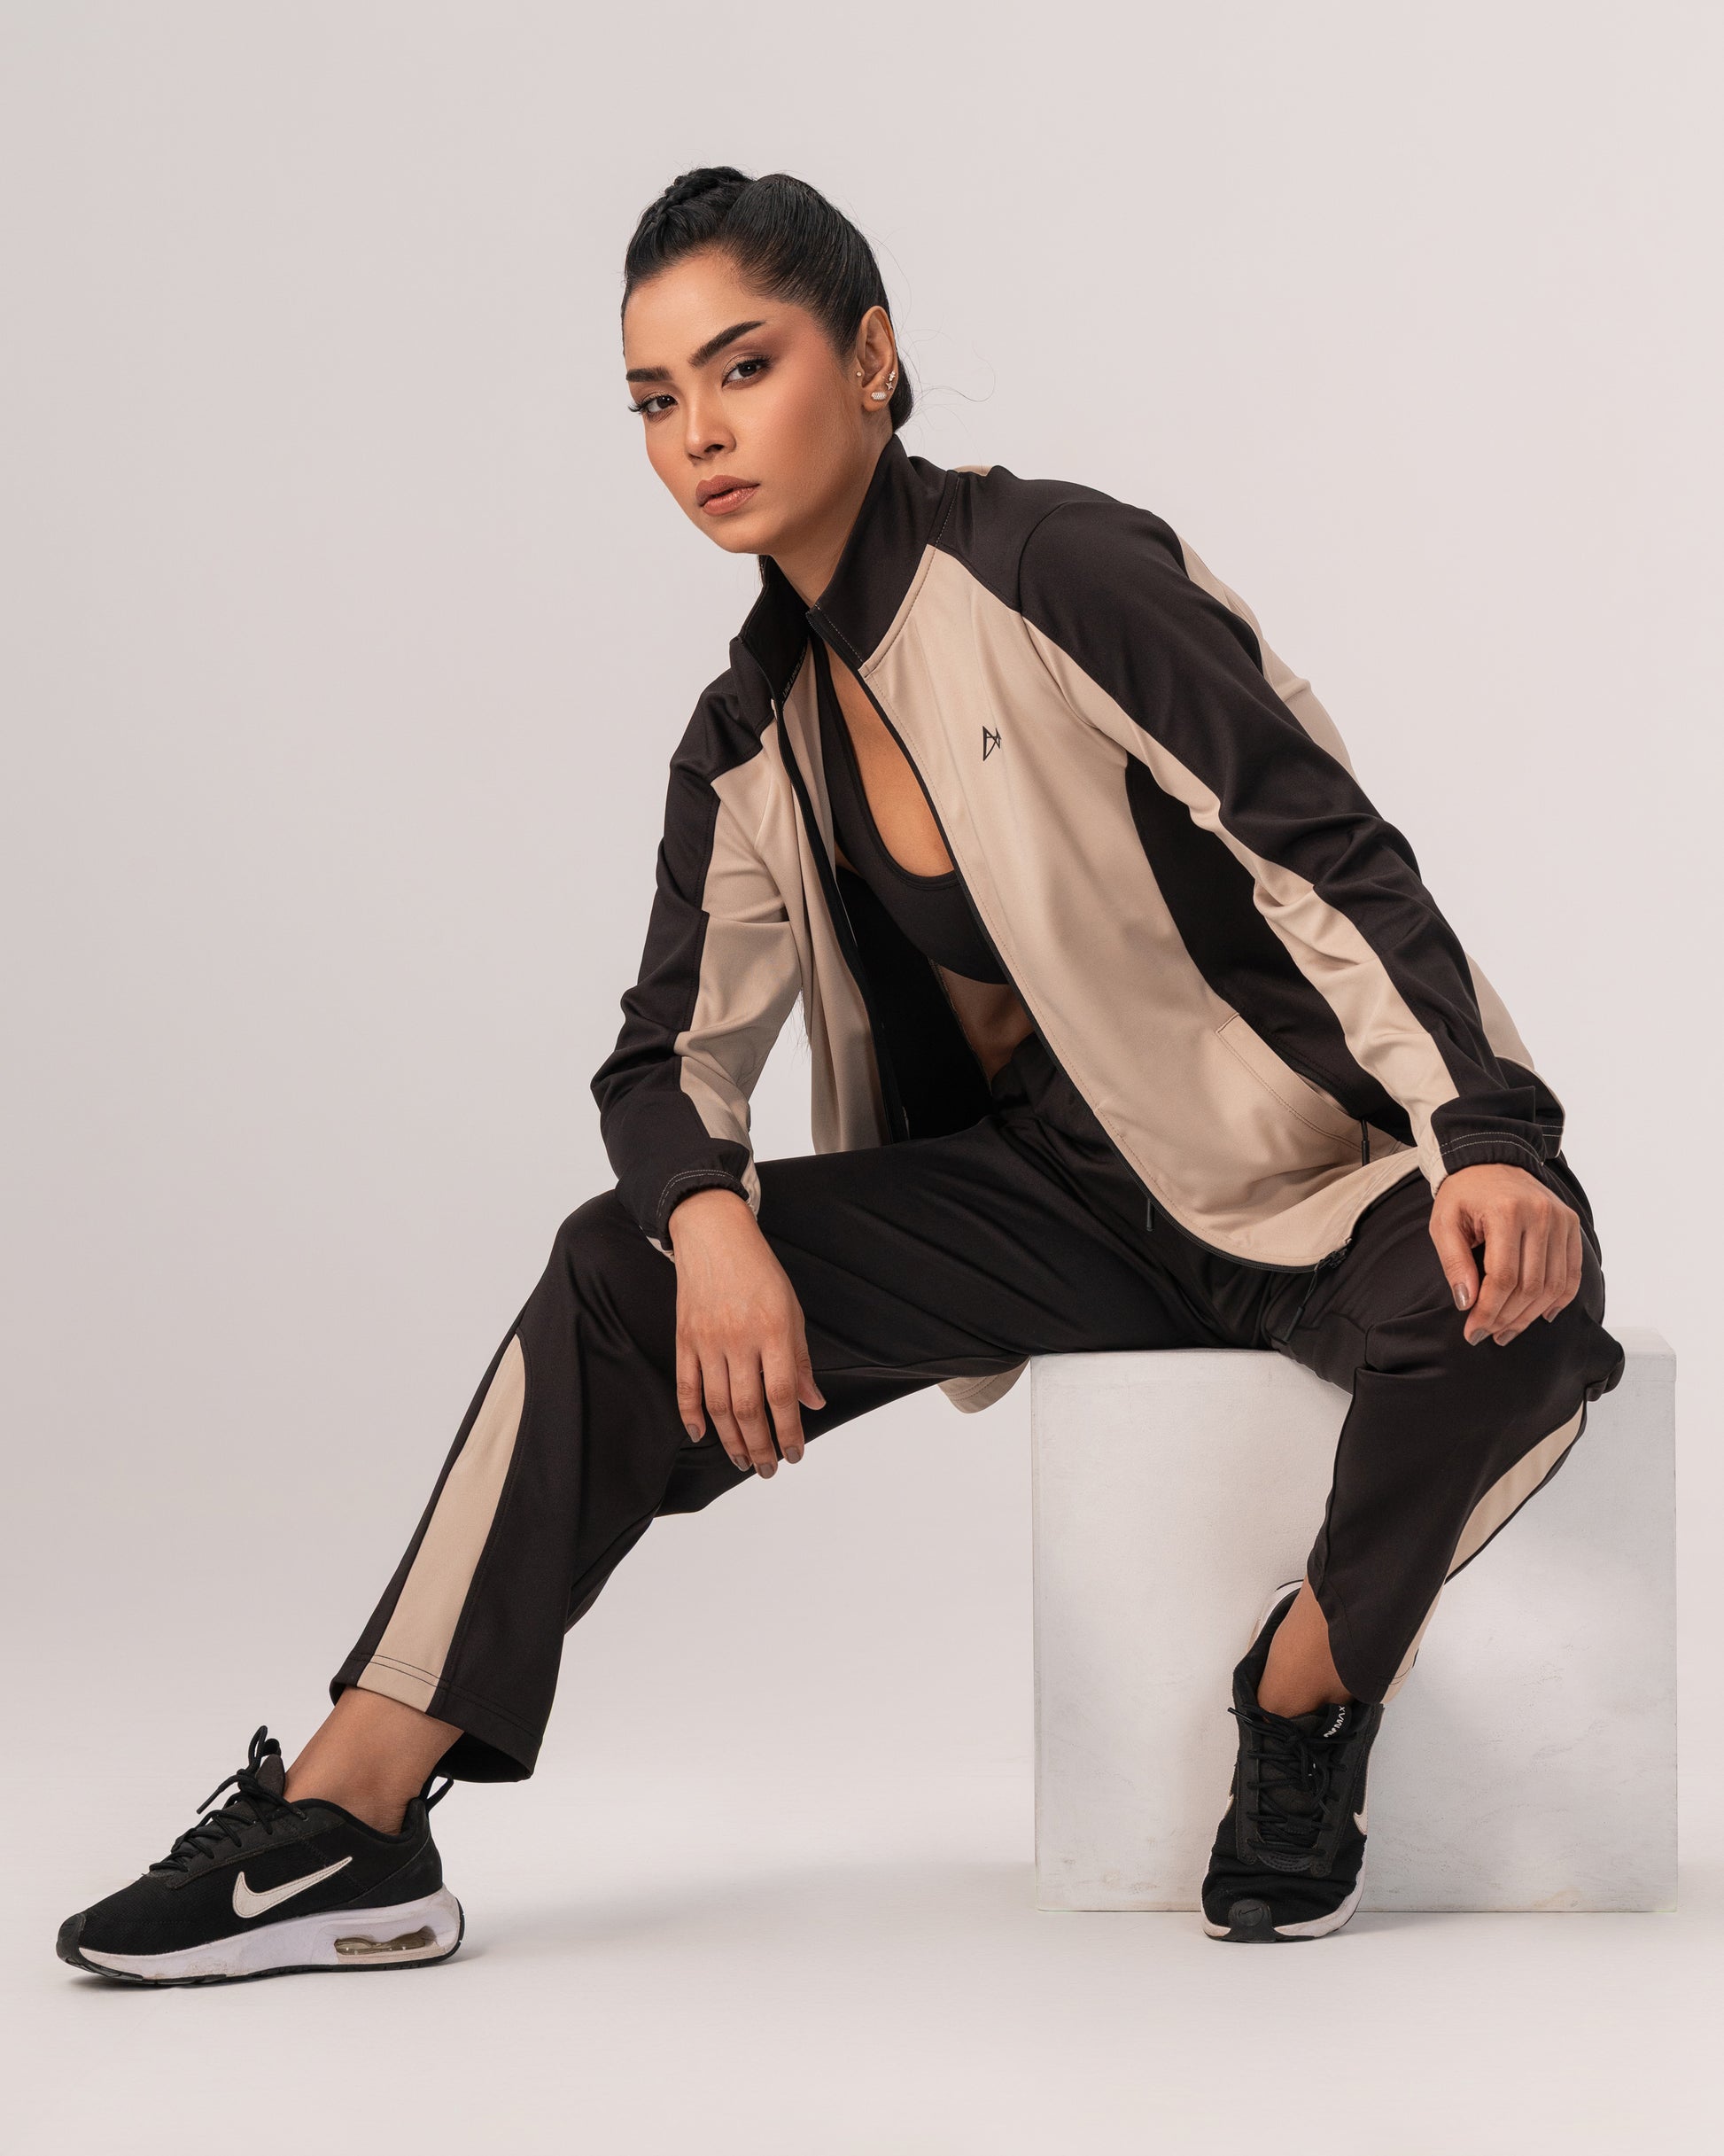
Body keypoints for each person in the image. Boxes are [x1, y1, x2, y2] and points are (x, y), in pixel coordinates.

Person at [57, 166, 1625, 1985]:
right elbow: (662, 1056)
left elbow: (1321, 846)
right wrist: (707, 1217)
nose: (700, 435)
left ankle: (1303, 1689)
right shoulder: (750, 731)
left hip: (1314, 1169)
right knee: (616, 1270)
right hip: (1060, 1205)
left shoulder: (1055, 566)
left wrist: (1487, 1134)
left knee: (1516, 1314)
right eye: (655, 399)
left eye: (744, 366)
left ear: (870, 359)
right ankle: (353, 1810)